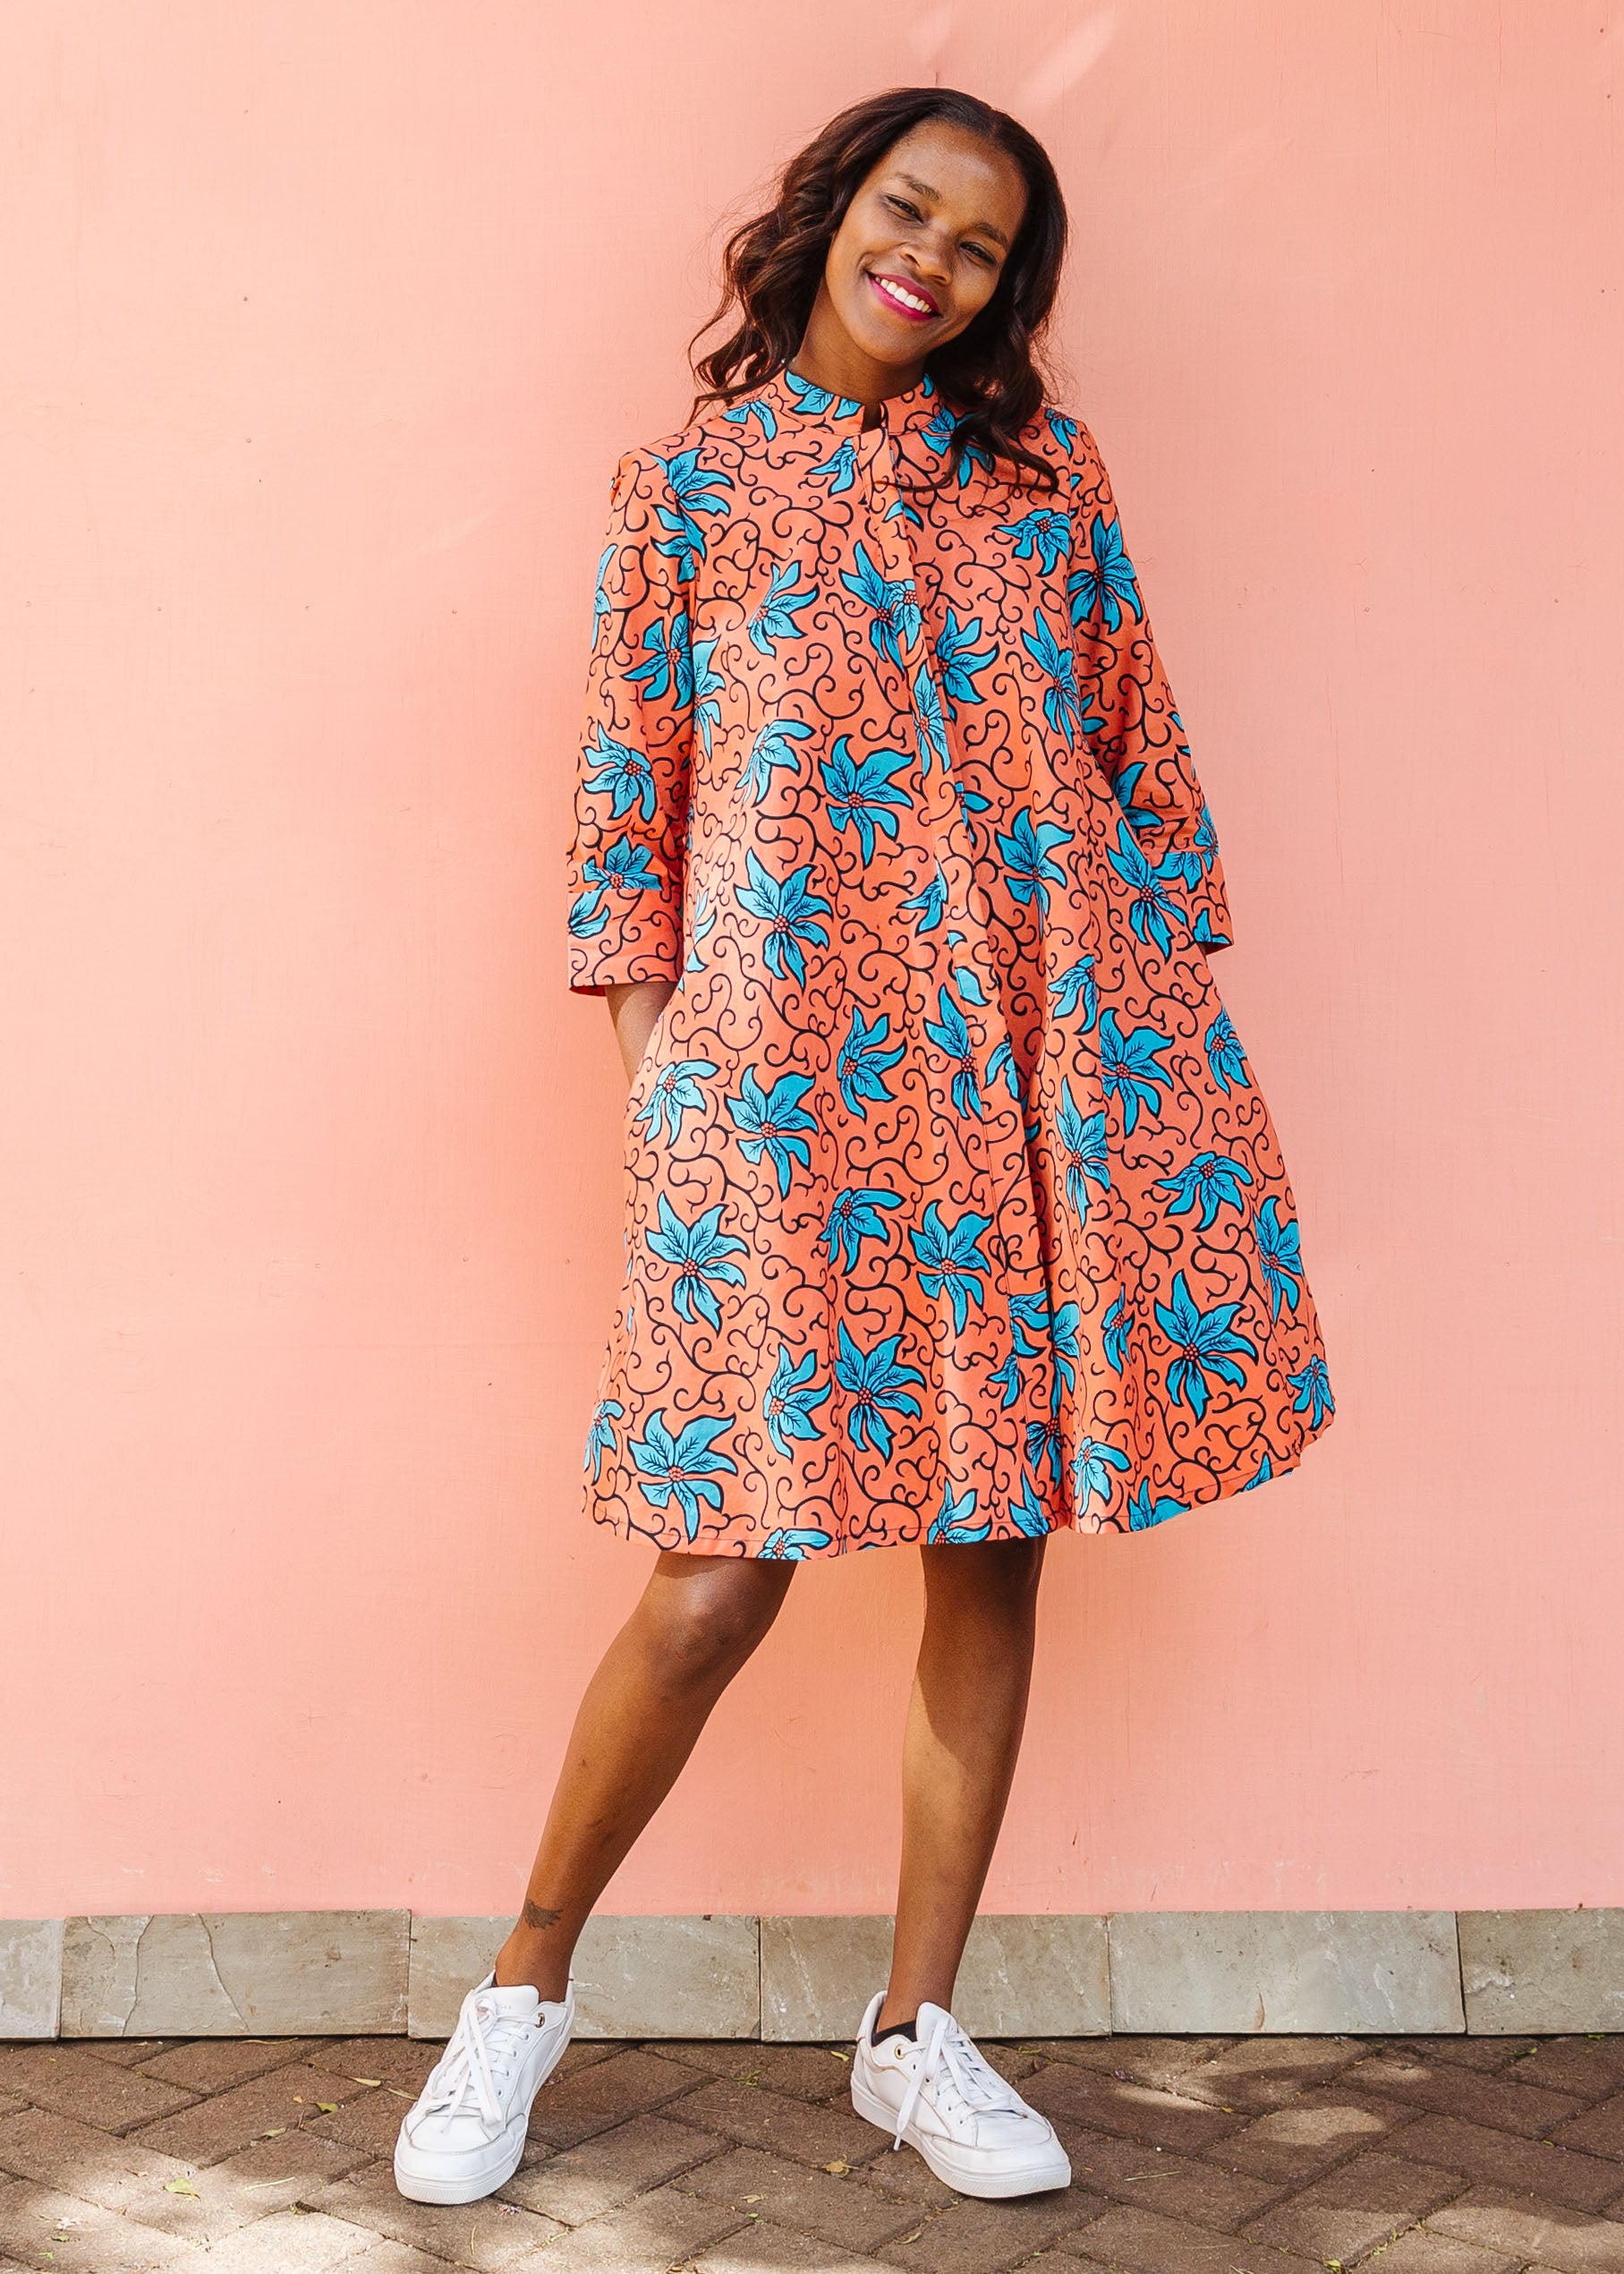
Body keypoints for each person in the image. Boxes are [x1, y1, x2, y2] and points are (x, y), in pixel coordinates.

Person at [395, 83, 1335, 2210]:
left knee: (984, 1547)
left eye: (981, 243)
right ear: (832, 215)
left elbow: (1141, 759)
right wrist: (670, 1099)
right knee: (719, 1568)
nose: (931, 257)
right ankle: (523, 1985)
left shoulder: (1043, 481)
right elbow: (618, 830)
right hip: (782, 1099)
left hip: (1030, 1086)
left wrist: (1141, 1017)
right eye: (906, 209)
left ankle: (912, 2033)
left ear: (1009, 286)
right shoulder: (688, 491)